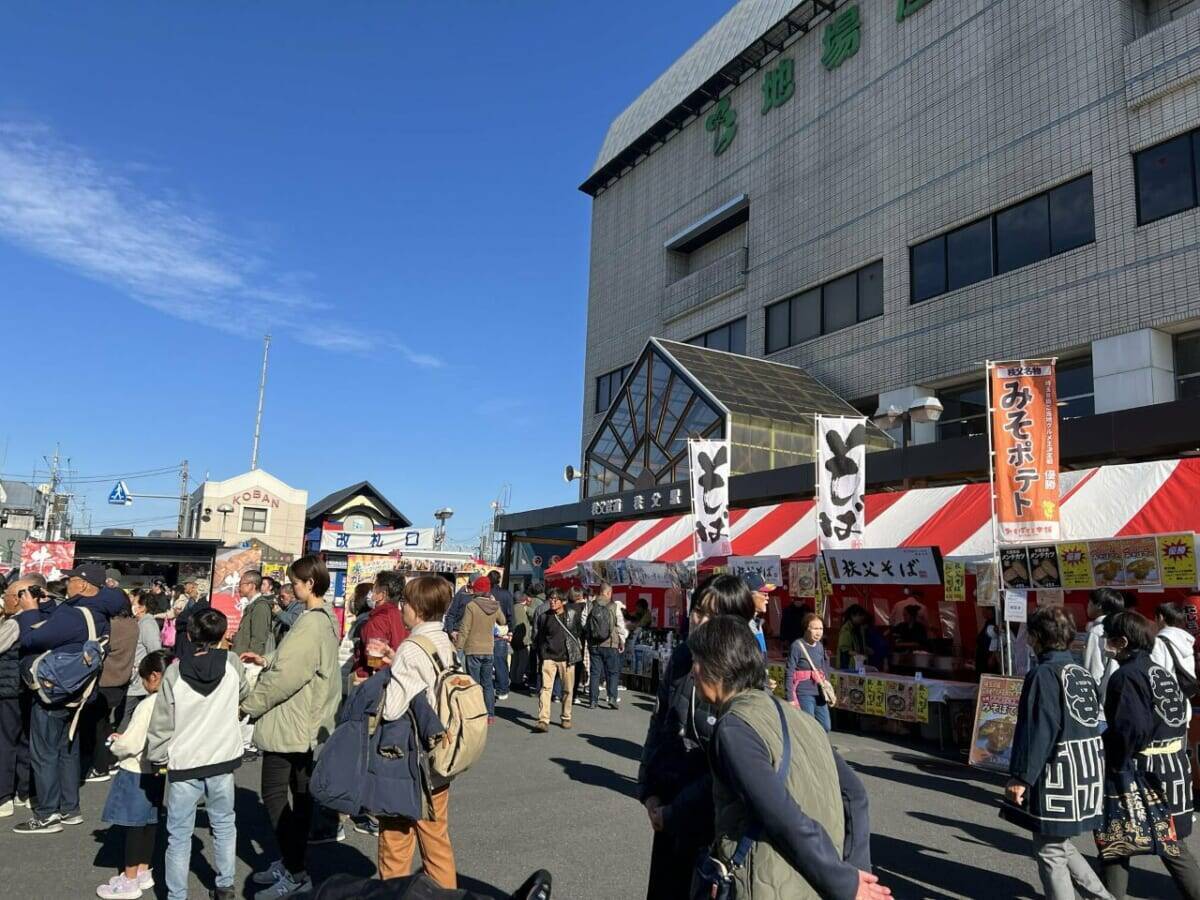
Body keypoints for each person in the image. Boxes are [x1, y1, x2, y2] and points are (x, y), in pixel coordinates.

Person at [689, 616, 890, 900]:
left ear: (717, 665)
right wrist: (856, 871)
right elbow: (855, 794)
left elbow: (781, 814)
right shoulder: (800, 718)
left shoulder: (734, 727)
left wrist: (847, 883)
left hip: (766, 884)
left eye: (697, 661)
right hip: (814, 884)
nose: (693, 673)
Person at [638, 575, 756, 900]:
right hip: (667, 807)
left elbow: (725, 765)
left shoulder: (742, 678)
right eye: (697, 610)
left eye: (711, 615)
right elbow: (659, 724)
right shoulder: (680, 658)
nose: (699, 621)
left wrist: (674, 813)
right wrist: (648, 791)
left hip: (712, 821)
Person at [241, 555, 341, 900]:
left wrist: (249, 706)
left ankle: (296, 871)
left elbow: (287, 676)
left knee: (273, 794)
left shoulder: (311, 622)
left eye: (295, 582)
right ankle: (293, 864)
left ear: (310, 583)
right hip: (309, 719)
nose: (291, 587)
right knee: (300, 797)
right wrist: (267, 659)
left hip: (291, 719)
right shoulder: (325, 617)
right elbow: (298, 663)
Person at [1001, 608, 1110, 900]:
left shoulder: (1043, 674)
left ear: (1035, 637)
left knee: (1050, 850)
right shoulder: (1080, 671)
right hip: (1086, 767)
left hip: (1059, 770)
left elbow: (1037, 729)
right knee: (1058, 842)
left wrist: (1021, 776)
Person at [13, 562, 127, 835]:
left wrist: (30, 612)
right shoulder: (98, 611)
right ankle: (69, 808)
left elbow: (32, 639)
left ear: (84, 585)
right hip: (78, 692)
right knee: (67, 750)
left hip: (53, 693)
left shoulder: (75, 615)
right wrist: (47, 602)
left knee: (45, 753)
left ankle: (47, 814)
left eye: (72, 580)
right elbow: (63, 627)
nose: (67, 584)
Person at [1095, 610, 1200, 899]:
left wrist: (1113, 757)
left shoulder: (1127, 676)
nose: (1104, 642)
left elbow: (1132, 729)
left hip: (1143, 769)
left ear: (1123, 641)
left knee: (1117, 838)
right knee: (1169, 841)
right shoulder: (1159, 671)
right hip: (1173, 764)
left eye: (1108, 638)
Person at [147, 608, 249, 900]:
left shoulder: (175, 672)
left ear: (189, 635)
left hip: (185, 760)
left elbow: (162, 720)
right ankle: (225, 885)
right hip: (222, 757)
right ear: (221, 634)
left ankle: (177, 895)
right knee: (224, 823)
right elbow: (244, 692)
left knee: (178, 835)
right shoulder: (232, 664)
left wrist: (157, 757)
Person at [374, 574, 459, 888]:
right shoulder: (443, 640)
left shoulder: (411, 647)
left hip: (409, 760)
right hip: (440, 754)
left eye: (405, 603)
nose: (402, 608)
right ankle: (446, 894)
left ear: (417, 608)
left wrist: (386, 677)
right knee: (436, 840)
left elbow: (395, 707)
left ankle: (393, 894)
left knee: (396, 841)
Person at [96, 650, 169, 900]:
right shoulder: (173, 701)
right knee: (150, 823)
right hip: (159, 769)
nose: (144, 685)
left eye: (144, 679)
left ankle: (128, 880)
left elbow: (131, 743)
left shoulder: (148, 704)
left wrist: (117, 744)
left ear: (155, 676)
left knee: (133, 827)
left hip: (136, 769)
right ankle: (143, 871)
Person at [84, 593, 139, 783]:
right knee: (107, 724)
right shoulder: (133, 624)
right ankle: (110, 760)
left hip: (105, 681)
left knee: (98, 726)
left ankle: (101, 767)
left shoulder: (112, 626)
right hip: (122, 680)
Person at [0, 576, 36, 819]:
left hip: (8, 688)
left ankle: (4, 797)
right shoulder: (44, 619)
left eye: (8, 596)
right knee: (25, 740)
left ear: (20, 598)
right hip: (30, 687)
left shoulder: (15, 623)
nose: (5, 600)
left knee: (5, 742)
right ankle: (24, 791)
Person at [455, 575, 506, 724]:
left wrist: (458, 647)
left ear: (477, 590)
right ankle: (490, 714)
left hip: (473, 649)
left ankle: (476, 713)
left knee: (475, 684)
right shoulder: (494, 605)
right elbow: (502, 621)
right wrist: (496, 605)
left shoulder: (471, 606)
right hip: (488, 649)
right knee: (488, 684)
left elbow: (464, 629)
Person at [532, 588, 582, 733]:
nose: (552, 602)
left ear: (563, 601)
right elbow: (539, 636)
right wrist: (542, 653)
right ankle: (543, 719)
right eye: (551, 599)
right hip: (549, 657)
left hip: (567, 658)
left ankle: (566, 717)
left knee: (567, 690)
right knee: (546, 689)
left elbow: (578, 632)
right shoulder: (544, 617)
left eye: (556, 600)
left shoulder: (572, 614)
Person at [123, 588, 163, 729]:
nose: (132, 605)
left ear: (143, 607)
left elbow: (155, 650)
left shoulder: (148, 624)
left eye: (135, 603)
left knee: (127, 716)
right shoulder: (140, 622)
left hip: (139, 680)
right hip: (135, 677)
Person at [355, 572, 409, 680]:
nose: (371, 593)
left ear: (382, 595)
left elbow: (375, 660)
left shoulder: (377, 620)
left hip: (375, 682)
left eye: (374, 589)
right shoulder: (402, 617)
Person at [786, 612, 832, 733]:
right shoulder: (797, 646)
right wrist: (790, 697)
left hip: (820, 692)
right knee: (808, 726)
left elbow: (824, 667)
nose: (819, 632)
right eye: (815, 628)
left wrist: (827, 685)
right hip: (803, 692)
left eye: (821, 628)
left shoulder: (820, 647)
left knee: (825, 726)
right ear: (806, 628)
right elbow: (789, 672)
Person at [1152, 601, 1197, 718]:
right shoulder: (1186, 641)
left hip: (1166, 709)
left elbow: (1156, 675)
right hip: (1184, 705)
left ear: (1160, 617)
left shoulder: (1158, 642)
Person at [586, 581, 627, 710]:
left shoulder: (591, 605)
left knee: (595, 672)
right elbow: (620, 625)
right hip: (610, 644)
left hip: (594, 644)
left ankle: (593, 700)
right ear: (608, 592)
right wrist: (622, 641)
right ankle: (612, 698)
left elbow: (584, 621)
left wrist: (589, 636)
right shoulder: (614, 606)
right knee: (612, 672)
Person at [1084, 588, 1124, 701]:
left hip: (1103, 702)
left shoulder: (1096, 631)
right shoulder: (1123, 628)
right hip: (1120, 695)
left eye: (1090, 602)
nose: (1087, 605)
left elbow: (1093, 670)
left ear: (1099, 606)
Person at [232, 570, 274, 658]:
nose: (238, 588)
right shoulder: (253, 605)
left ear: (251, 585)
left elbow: (258, 639)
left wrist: (250, 660)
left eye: (240, 584)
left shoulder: (260, 606)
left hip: (247, 660)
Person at [488, 570, 515, 701]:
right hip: (502, 631)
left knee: (486, 663)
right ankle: (503, 689)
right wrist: (511, 630)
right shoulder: (506, 594)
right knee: (501, 663)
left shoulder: (486, 594)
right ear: (499, 579)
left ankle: (486, 687)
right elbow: (511, 614)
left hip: (486, 631)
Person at [509, 587, 535, 693]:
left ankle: (513, 679)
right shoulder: (523, 608)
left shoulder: (512, 607)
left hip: (514, 638)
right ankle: (518, 681)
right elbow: (534, 614)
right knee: (522, 661)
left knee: (515, 660)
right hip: (523, 639)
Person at [743, 573, 775, 656]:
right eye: (764, 593)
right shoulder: (740, 626)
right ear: (749, 596)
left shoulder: (757, 623)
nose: (767, 597)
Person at [837, 604, 869, 669]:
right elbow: (844, 649)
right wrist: (858, 655)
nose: (862, 618)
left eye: (862, 615)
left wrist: (865, 649)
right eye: (859, 615)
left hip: (857, 664)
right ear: (852, 616)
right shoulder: (846, 629)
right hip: (847, 664)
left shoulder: (859, 628)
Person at [975, 607, 1000, 677]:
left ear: (991, 611)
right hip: (982, 658)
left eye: (985, 608)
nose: (982, 611)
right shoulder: (987, 622)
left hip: (989, 658)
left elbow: (998, 640)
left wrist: (993, 657)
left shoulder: (996, 622)